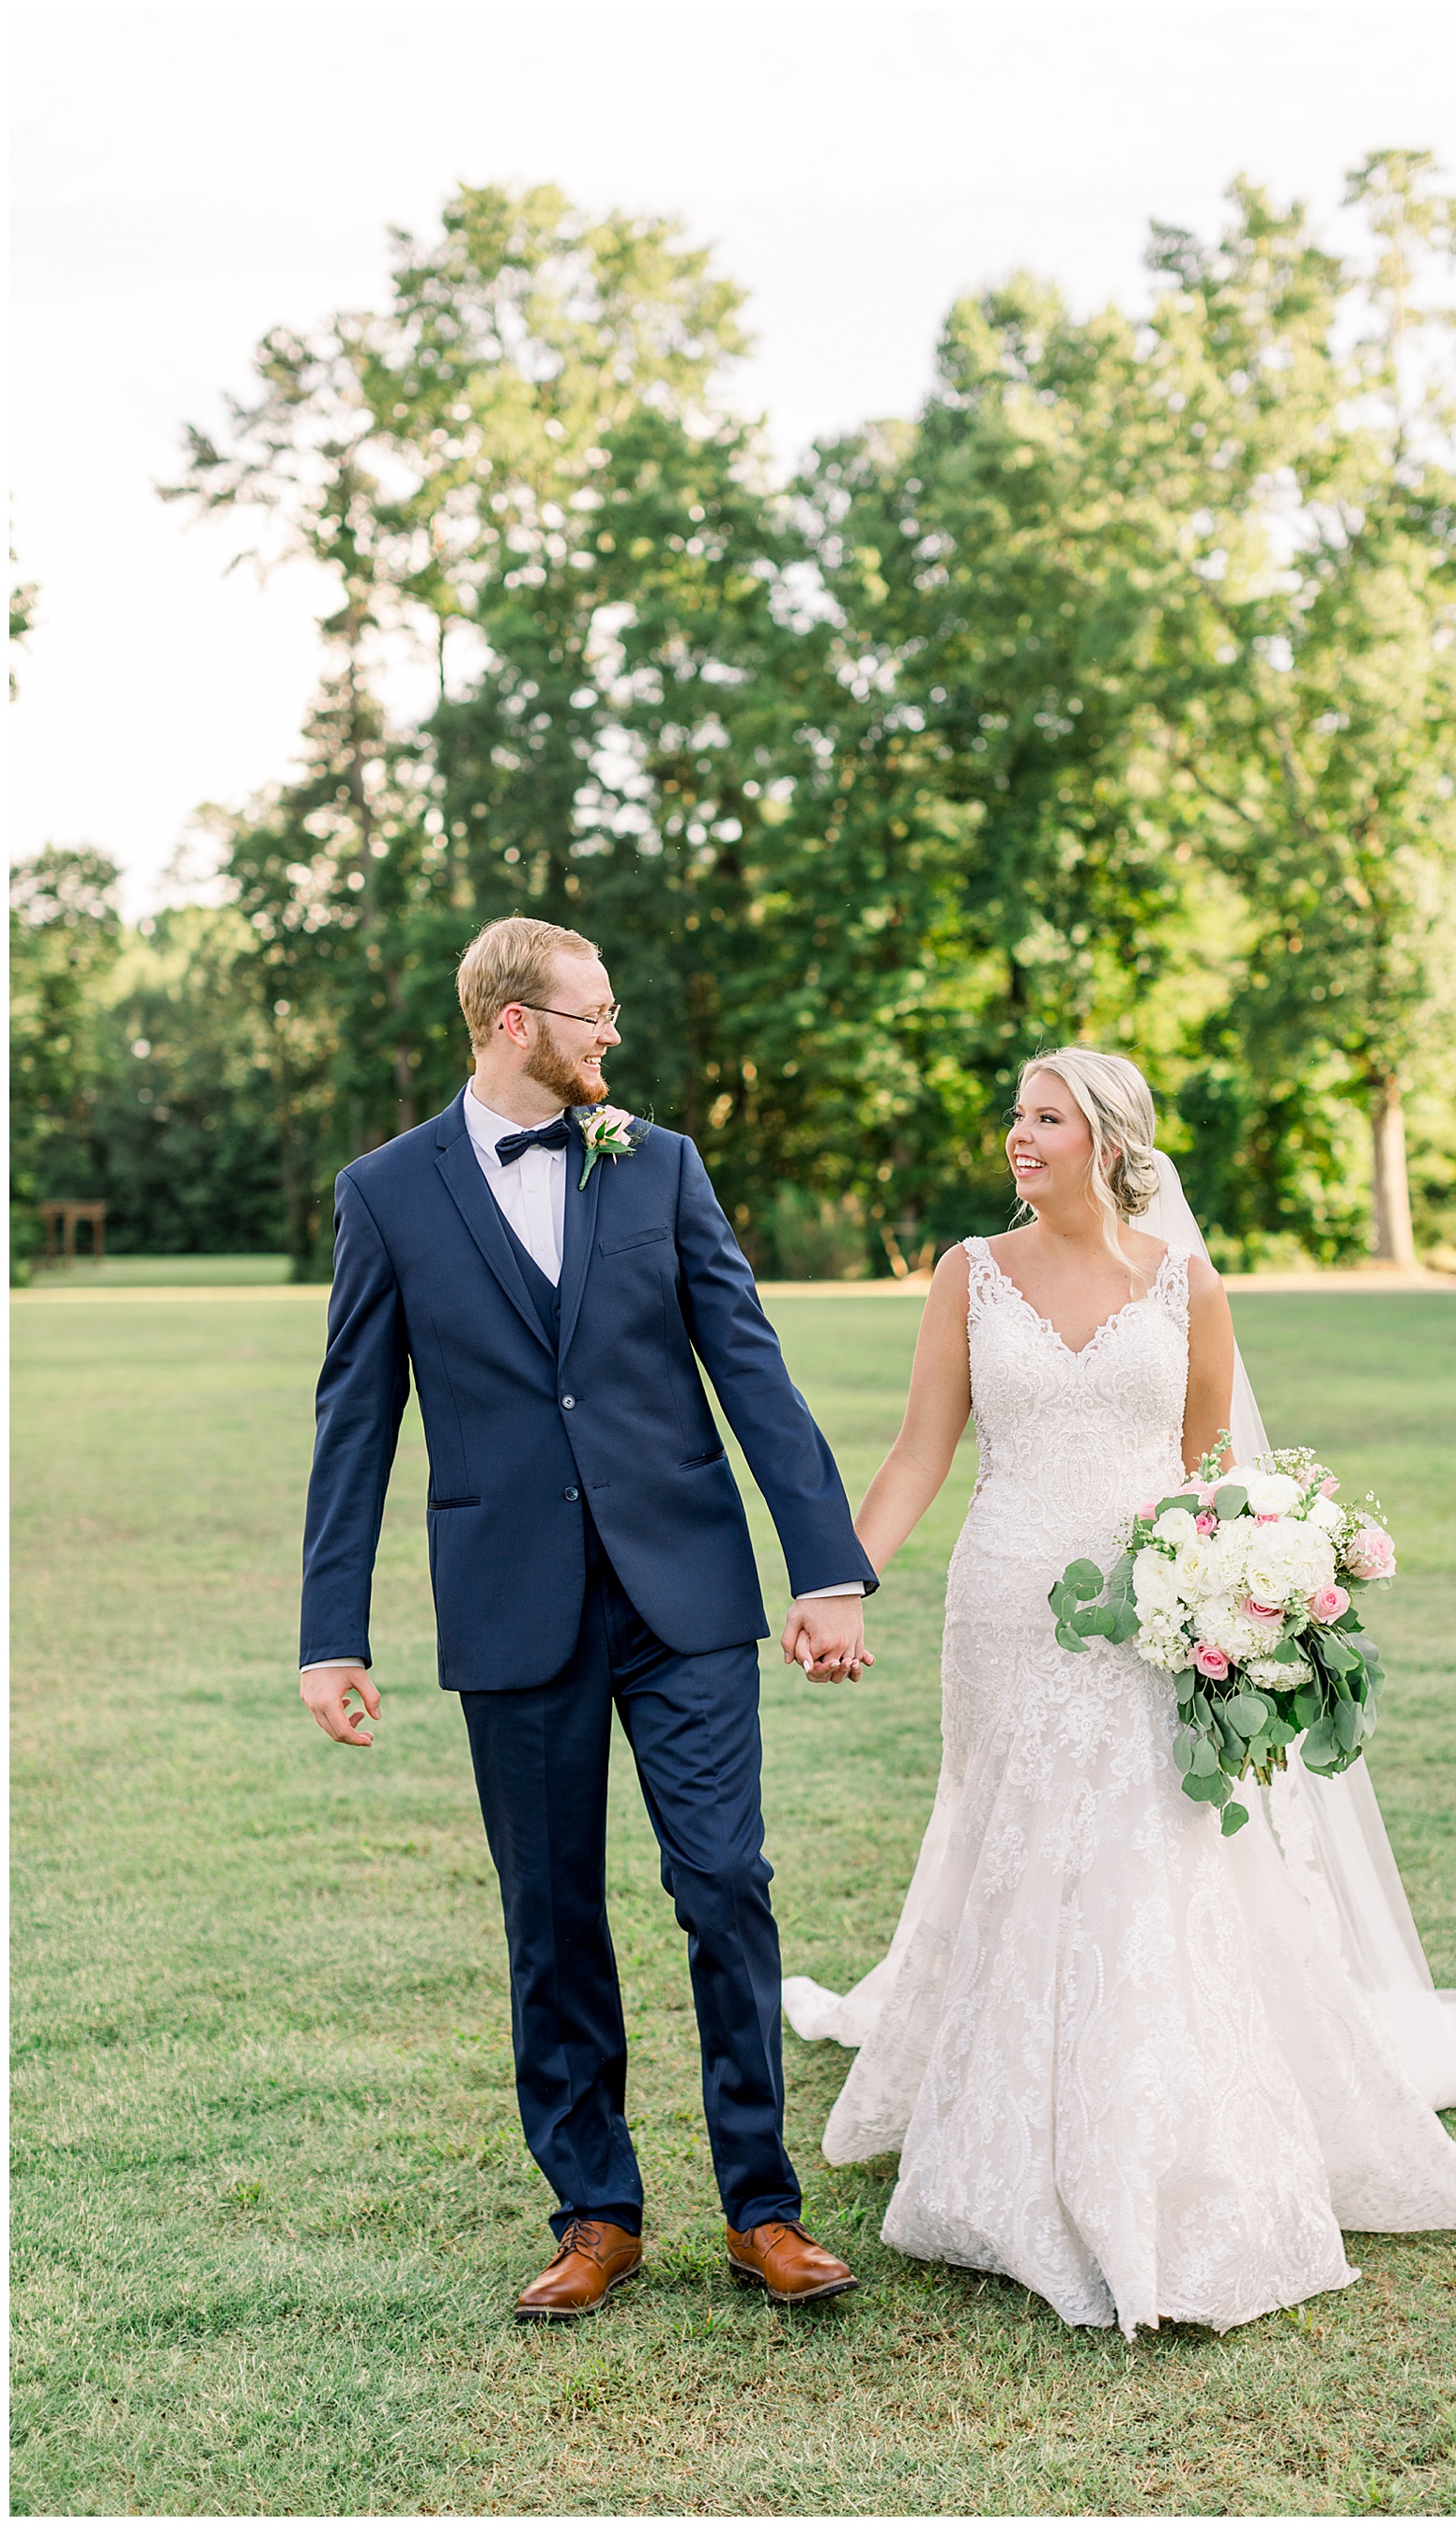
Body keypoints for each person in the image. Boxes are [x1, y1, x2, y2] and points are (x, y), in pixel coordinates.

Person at [784, 1047, 1456, 2336]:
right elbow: (918, 1453)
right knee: (1018, 1839)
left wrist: (1236, 1592)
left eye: (1047, 1118)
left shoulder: (1187, 1283)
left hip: (1145, 1613)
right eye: (1016, 1115)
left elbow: (1209, 1474)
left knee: (1146, 1849)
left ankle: (1150, 2123)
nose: (1018, 1136)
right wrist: (839, 1581)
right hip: (1004, 1608)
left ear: (1111, 1145)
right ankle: (1005, 2124)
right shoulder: (969, 1272)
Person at [299, 915, 876, 2318]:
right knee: (550, 1917)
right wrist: (332, 1631)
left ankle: (762, 2208)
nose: (612, 1032)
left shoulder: (659, 1163)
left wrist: (826, 1565)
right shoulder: (387, 1191)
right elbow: (354, 1417)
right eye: (591, 1011)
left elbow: (752, 1368)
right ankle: (597, 2213)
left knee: (724, 1882)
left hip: (685, 1590)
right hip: (512, 1602)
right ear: (514, 1021)